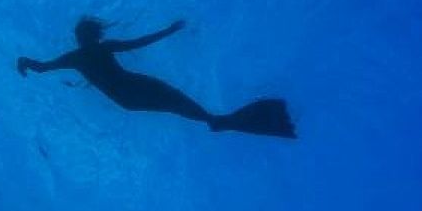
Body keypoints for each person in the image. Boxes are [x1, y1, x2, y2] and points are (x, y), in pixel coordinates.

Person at [17, 17, 296, 138]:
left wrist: (169, 31)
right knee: (174, 101)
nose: (88, 38)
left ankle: (219, 121)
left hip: (130, 93)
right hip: (131, 91)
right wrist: (26, 61)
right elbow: (43, 67)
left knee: (176, 102)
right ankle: (220, 121)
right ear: (84, 36)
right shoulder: (81, 55)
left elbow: (140, 42)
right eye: (86, 34)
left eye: (89, 34)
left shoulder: (85, 54)